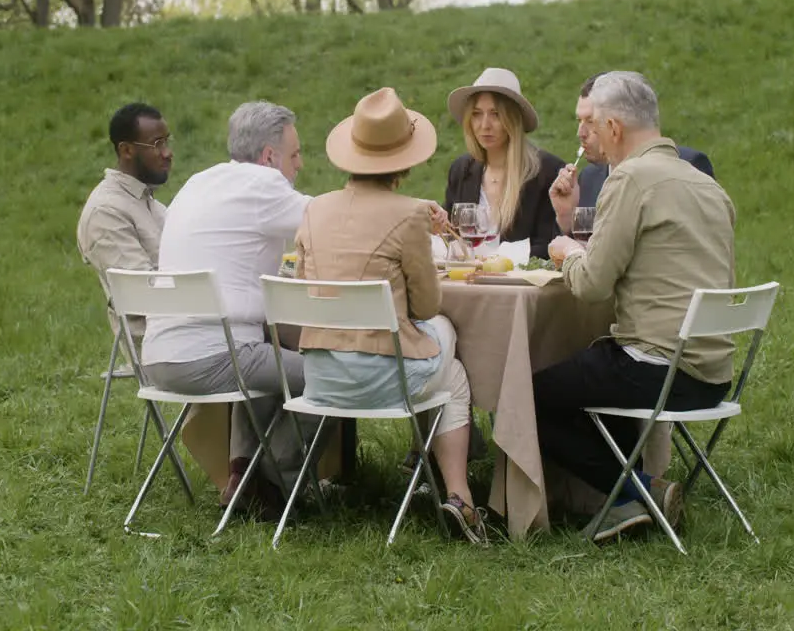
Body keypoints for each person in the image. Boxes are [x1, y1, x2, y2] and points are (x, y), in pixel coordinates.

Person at [537, 72, 737, 544]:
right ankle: (625, 501)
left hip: (659, 370)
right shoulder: (707, 184)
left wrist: (566, 251)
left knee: (527, 398)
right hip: (713, 375)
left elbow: (589, 285)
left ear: (613, 128)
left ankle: (641, 491)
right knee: (590, 370)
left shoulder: (630, 178)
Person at [296, 88, 487, 544]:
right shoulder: (410, 216)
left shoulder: (314, 208)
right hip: (383, 381)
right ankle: (459, 496)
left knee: (437, 356)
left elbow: (305, 289)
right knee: (452, 365)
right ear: (404, 159)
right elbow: (425, 307)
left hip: (317, 377)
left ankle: (424, 467)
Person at [139, 101, 319, 516]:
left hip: (159, 357)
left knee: (261, 345)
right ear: (269, 157)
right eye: (294, 155)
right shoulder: (263, 185)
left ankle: (242, 475)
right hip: (212, 359)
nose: (300, 165)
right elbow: (334, 221)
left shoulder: (199, 182)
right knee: (334, 376)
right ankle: (273, 486)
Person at [556, 73, 716, 232]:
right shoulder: (589, 178)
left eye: (591, 121)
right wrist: (568, 220)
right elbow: (588, 249)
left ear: (614, 125)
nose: (581, 133)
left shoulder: (686, 164)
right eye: (579, 121)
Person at [444, 68, 566, 260]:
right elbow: (451, 238)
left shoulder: (547, 172)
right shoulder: (461, 170)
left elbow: (549, 247)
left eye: (496, 114)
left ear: (513, 119)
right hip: (468, 284)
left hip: (522, 287)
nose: (485, 125)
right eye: (476, 114)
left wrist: (497, 260)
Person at [76, 102, 172, 344]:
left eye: (167, 142)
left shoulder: (150, 203)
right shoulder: (106, 212)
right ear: (127, 150)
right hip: (159, 347)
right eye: (157, 144)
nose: (167, 153)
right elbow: (143, 294)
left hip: (195, 332)